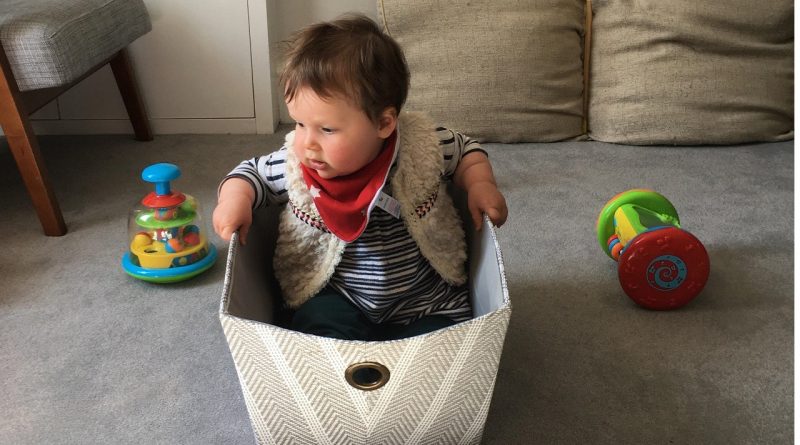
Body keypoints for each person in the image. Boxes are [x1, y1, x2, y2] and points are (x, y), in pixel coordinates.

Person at [213, 14, 507, 341]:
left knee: (448, 341)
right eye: (298, 123)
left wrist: (480, 184)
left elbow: (467, 150)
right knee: (315, 327)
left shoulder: (423, 146)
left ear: (384, 124)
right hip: (338, 292)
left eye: (326, 129)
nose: (306, 142)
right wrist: (234, 200)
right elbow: (249, 173)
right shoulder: (294, 164)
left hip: (424, 295)